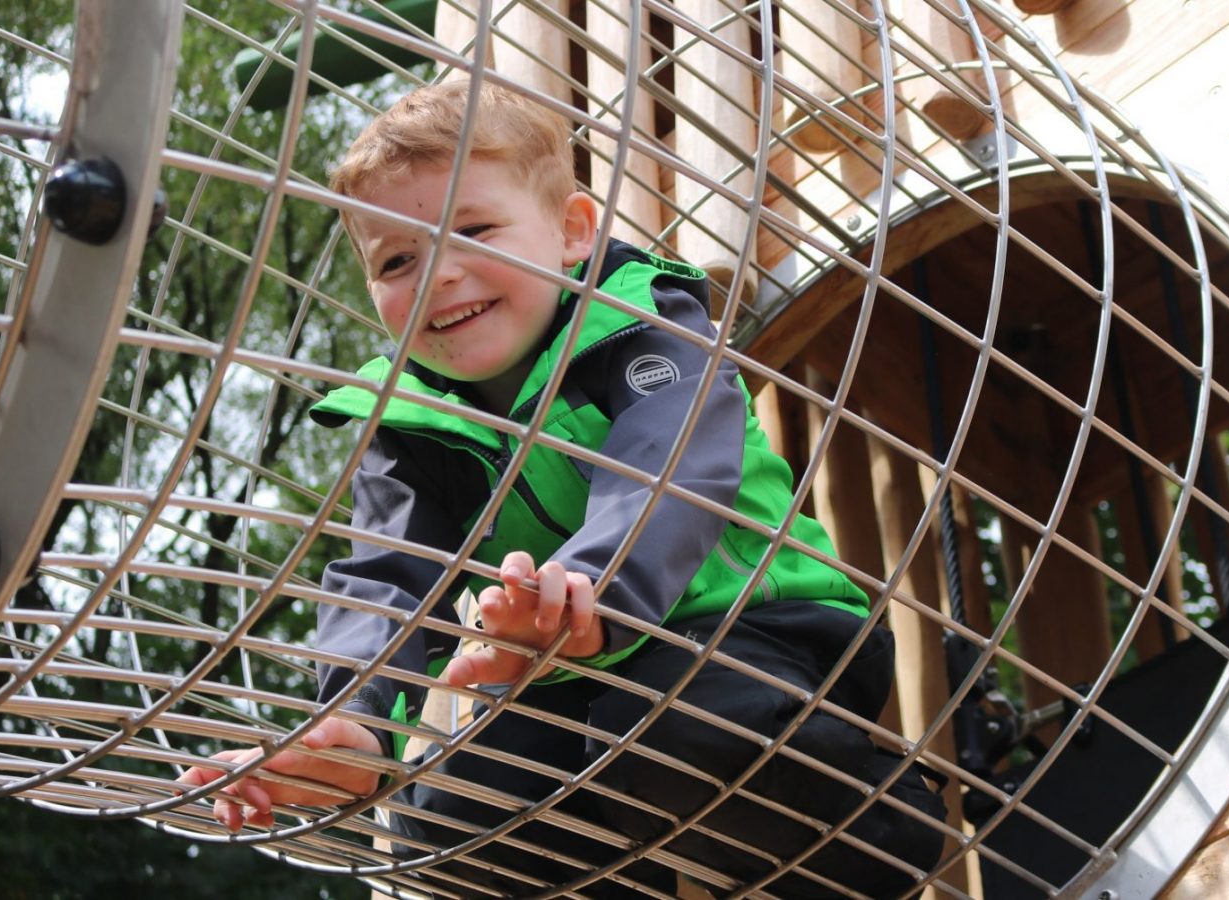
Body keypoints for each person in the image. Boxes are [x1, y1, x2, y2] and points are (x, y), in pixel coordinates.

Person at [178, 79, 944, 898]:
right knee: (450, 818)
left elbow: (670, 465)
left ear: (572, 232)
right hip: (567, 678)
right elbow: (386, 581)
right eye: (397, 259)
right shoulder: (405, 422)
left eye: (470, 229)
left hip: (754, 630)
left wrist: (587, 592)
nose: (437, 273)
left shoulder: (641, 323)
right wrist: (357, 731)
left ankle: (881, 841)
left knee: (657, 729)